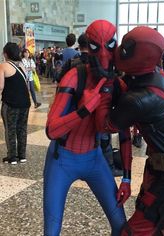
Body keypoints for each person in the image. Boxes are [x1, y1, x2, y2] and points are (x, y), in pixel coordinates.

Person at [95, 26, 164, 236]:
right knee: (156, 226)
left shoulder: (140, 99)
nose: (119, 51)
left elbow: (105, 125)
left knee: (136, 230)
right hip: (163, 167)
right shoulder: (155, 74)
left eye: (126, 48)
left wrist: (105, 86)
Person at [43, 20, 130, 236]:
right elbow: (51, 130)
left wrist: (127, 178)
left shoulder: (117, 85)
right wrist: (83, 110)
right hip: (62, 160)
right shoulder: (74, 77)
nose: (103, 55)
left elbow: (125, 134)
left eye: (109, 46)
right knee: (52, 230)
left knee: (121, 226)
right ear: (88, 46)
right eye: (96, 46)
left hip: (94, 158)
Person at [0, 42, 31, 164]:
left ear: (6, 54)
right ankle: (22, 156)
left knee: (10, 129)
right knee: (22, 129)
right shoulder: (22, 65)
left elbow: (0, 86)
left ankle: (12, 157)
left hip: (10, 104)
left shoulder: (3, 66)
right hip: (25, 103)